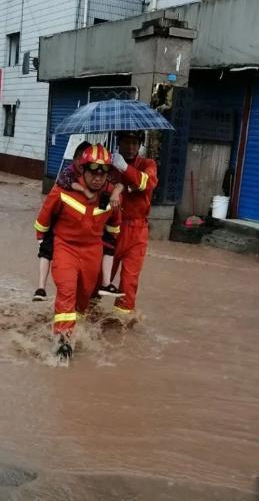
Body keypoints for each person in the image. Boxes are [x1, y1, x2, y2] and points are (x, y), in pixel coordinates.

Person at [34, 144, 121, 358]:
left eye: (103, 173)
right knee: (67, 290)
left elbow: (114, 228)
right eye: (93, 171)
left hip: (93, 251)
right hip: (65, 247)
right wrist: (43, 245)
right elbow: (43, 219)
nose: (98, 177)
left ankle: (75, 328)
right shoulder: (63, 189)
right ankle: (63, 340)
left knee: (83, 297)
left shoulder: (112, 195)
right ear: (83, 169)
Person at [109, 130, 158, 317]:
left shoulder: (148, 164)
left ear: (140, 145)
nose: (131, 147)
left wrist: (124, 169)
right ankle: (87, 317)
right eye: (126, 142)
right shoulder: (109, 164)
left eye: (135, 143)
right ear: (118, 143)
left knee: (129, 283)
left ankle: (119, 326)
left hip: (137, 231)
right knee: (98, 276)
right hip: (111, 228)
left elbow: (146, 183)